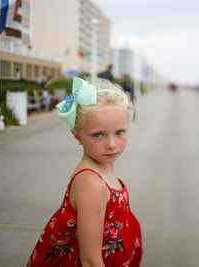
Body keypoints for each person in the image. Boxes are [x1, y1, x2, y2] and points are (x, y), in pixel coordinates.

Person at [27, 77, 142, 267]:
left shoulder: (102, 169)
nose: (111, 144)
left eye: (120, 132)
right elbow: (90, 260)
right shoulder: (91, 183)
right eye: (98, 134)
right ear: (77, 135)